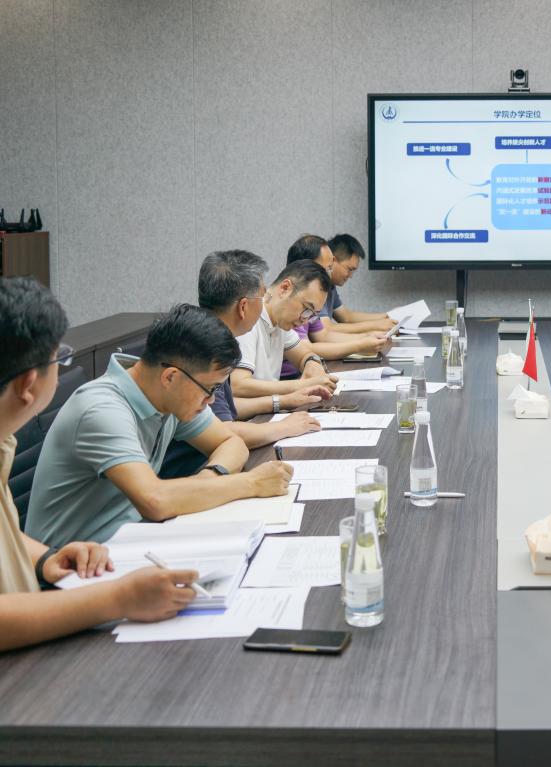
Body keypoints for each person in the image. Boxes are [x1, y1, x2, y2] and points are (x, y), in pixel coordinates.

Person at [1, 278, 198, 651]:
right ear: (28, 384)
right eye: (60, 359)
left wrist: (45, 559)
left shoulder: (3, 440)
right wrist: (117, 598)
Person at [26, 304, 293, 547]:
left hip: (132, 542)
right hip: (70, 565)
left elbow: (230, 442)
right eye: (210, 389)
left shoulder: (169, 396)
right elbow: (155, 501)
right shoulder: (102, 410)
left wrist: (208, 480)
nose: (211, 400)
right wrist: (252, 483)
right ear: (170, 377)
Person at [159, 250, 333, 478]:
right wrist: (283, 425)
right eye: (261, 296)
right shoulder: (204, 351)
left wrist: (284, 401)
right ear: (243, 307)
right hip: (188, 470)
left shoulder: (208, 339)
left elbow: (223, 420)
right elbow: (226, 431)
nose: (265, 301)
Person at [278, 234, 391, 378]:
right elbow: (306, 348)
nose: (329, 275)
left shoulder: (312, 300)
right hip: (288, 378)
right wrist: (360, 344)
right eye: (326, 269)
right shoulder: (292, 305)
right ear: (306, 266)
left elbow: (323, 336)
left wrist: (366, 338)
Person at [230, 260, 340, 398]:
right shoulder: (248, 318)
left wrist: (312, 363)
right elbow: (237, 385)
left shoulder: (280, 321)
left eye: (312, 315)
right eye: (307, 309)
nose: (305, 319)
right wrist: (303, 385)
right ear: (285, 288)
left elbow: (304, 355)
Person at [319, 233, 396, 333]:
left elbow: (346, 317)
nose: (350, 276)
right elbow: (326, 328)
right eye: (349, 269)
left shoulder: (331, 285)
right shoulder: (317, 284)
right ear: (332, 260)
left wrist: (388, 316)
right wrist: (377, 325)